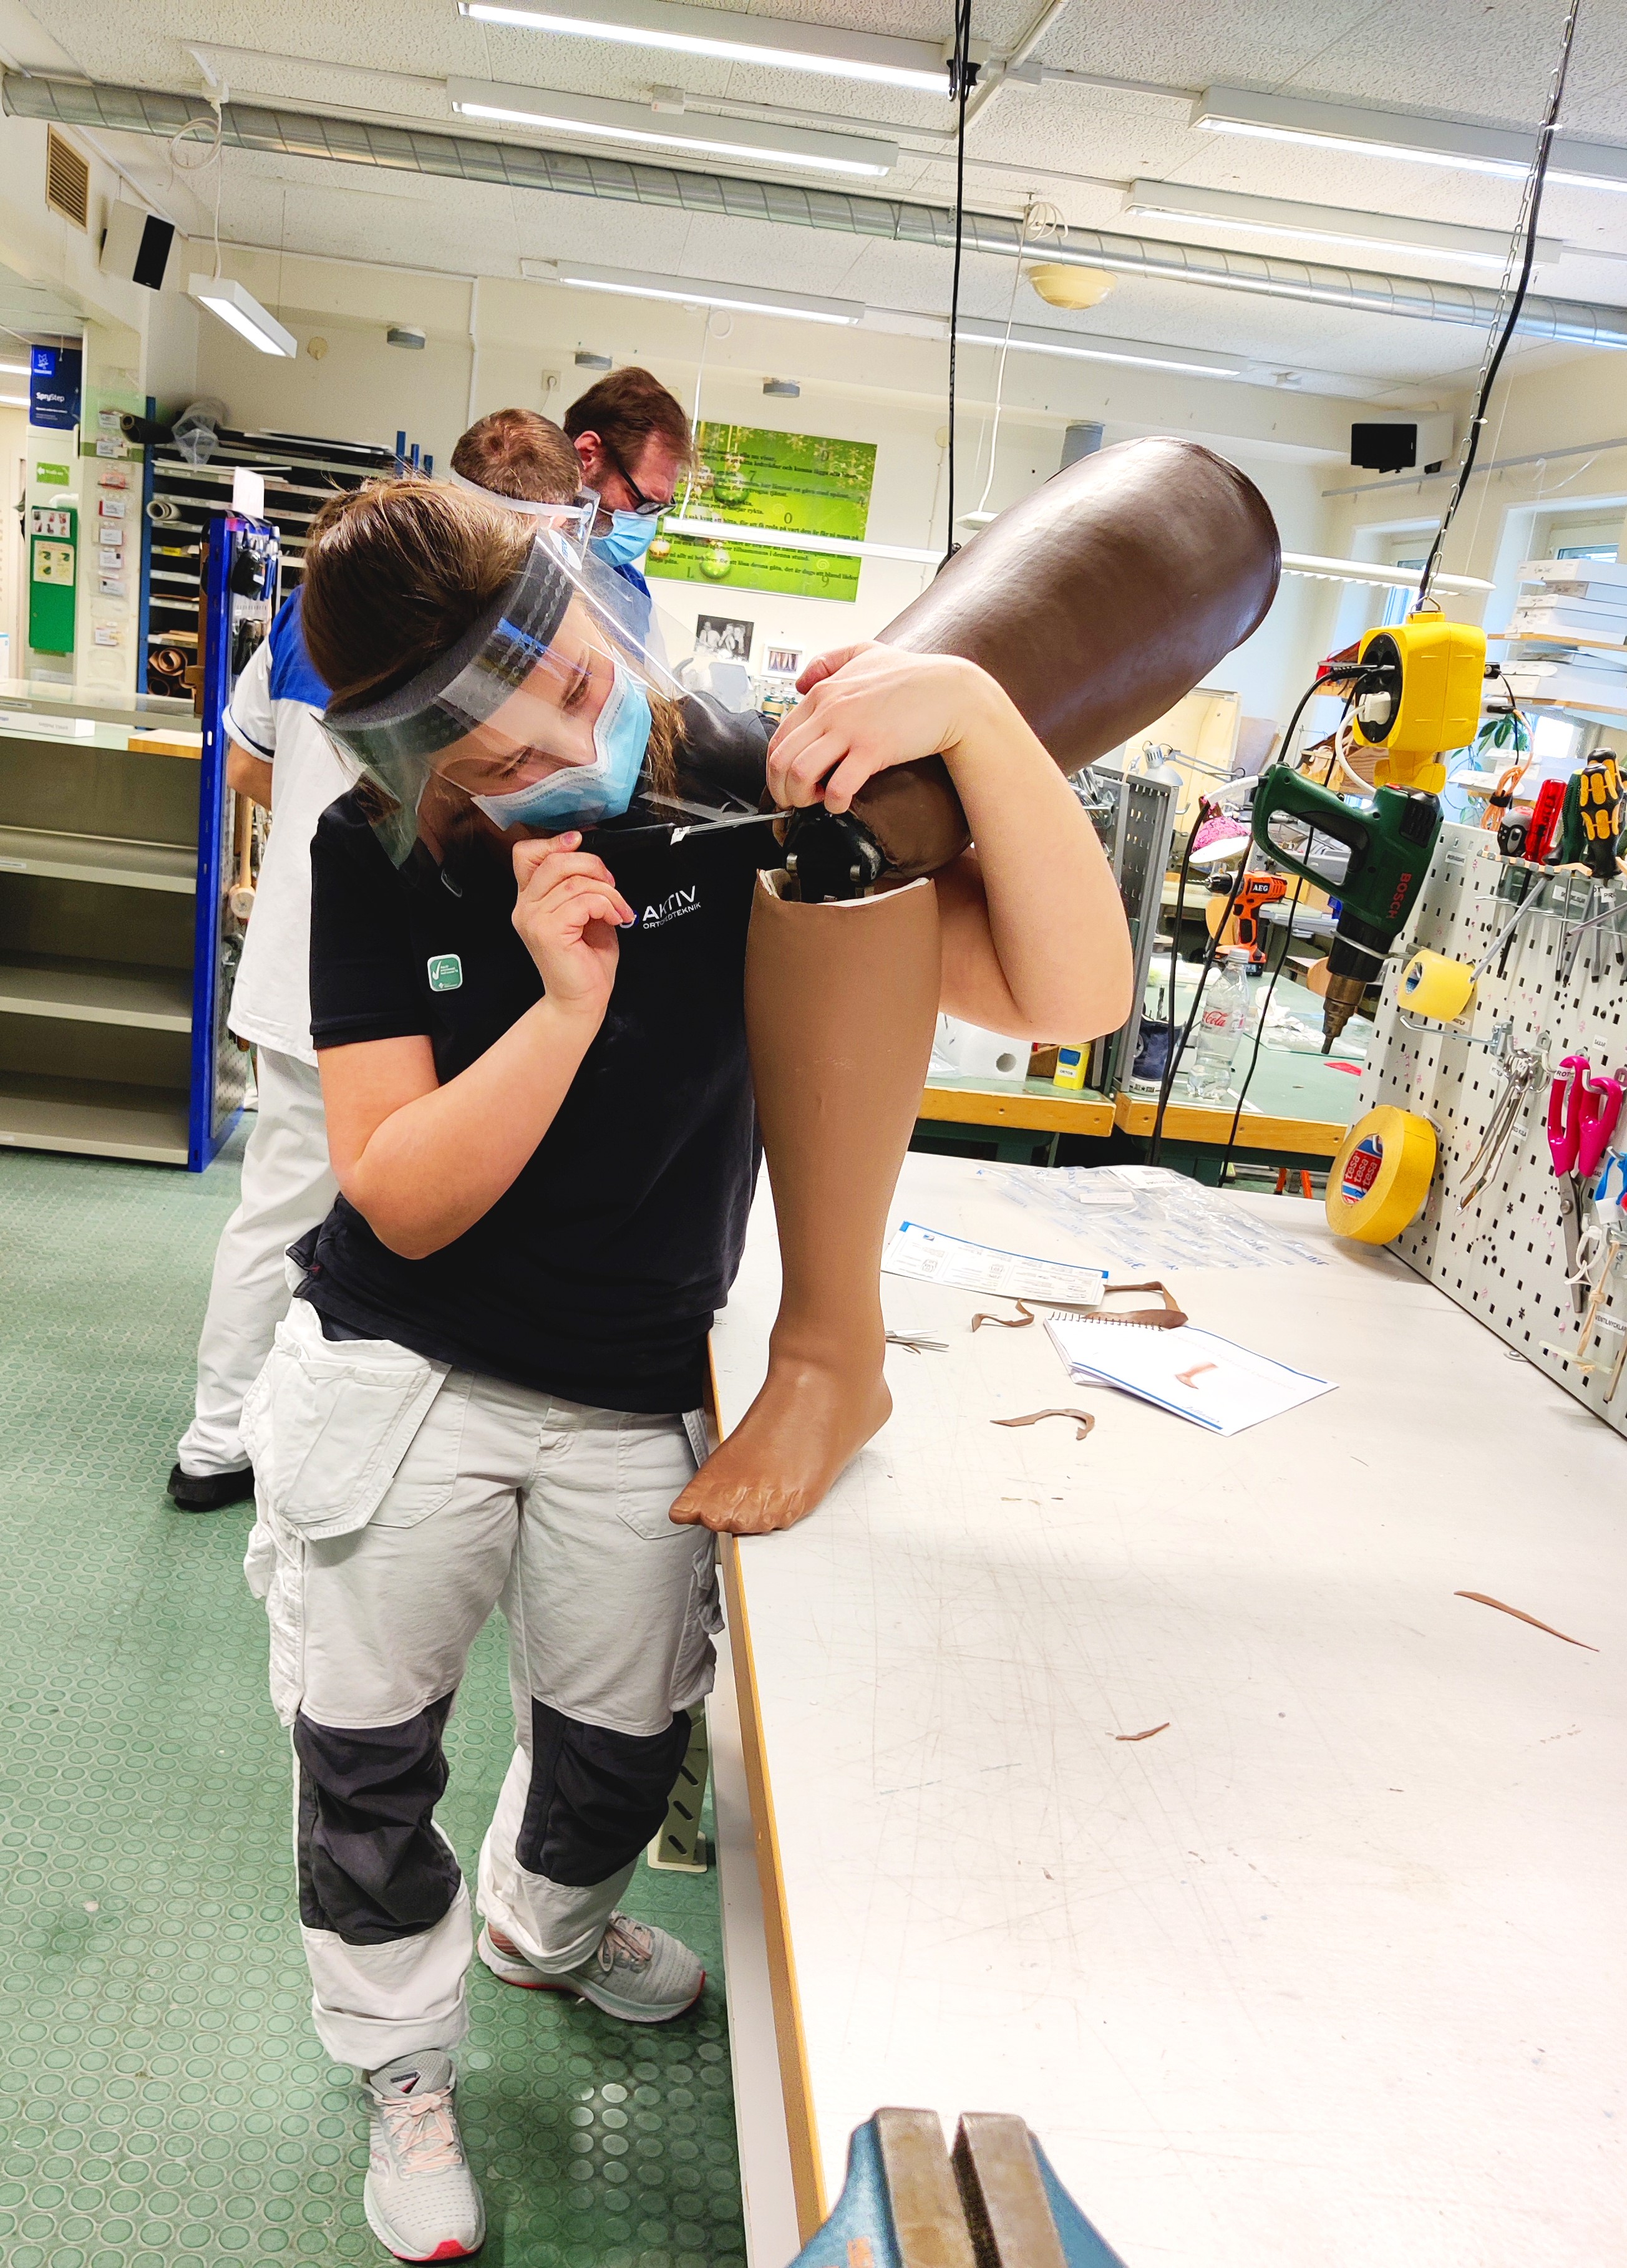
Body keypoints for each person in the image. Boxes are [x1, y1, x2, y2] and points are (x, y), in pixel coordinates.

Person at [236, 476, 1131, 2261]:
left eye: (578, 679)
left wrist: (976, 718)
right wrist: (561, 1008)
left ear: (600, 612)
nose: (576, 742)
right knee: (368, 1749)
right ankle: (404, 2059)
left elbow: (1066, 992)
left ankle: (545, 1933)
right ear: (425, 769)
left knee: (613, 1742)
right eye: (498, 757)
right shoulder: (380, 857)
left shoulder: (743, 777)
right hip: (406, 1372)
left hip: (639, 1379)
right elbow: (399, 1197)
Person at [168, 409, 590, 1513]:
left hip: (314, 962)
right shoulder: (493, 637)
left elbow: (250, 767)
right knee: (331, 1213)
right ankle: (225, 1442)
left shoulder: (318, 616)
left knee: (290, 1211)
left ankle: (228, 1438)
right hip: (375, 966)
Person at [563, 365, 691, 639]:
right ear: (588, 456)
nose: (646, 523)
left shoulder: (629, 589)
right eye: (640, 501)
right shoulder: (507, 554)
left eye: (657, 509)